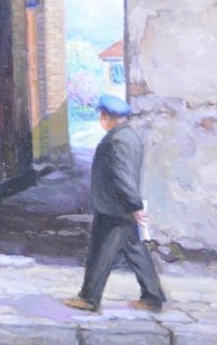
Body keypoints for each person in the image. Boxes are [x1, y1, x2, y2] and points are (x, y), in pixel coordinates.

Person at [64, 94, 166, 313]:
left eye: (102, 115)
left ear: (106, 116)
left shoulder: (116, 141)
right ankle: (153, 296)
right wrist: (133, 206)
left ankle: (89, 298)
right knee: (135, 250)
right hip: (122, 207)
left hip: (114, 209)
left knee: (100, 253)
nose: (101, 120)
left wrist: (134, 205)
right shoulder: (129, 136)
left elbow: (123, 177)